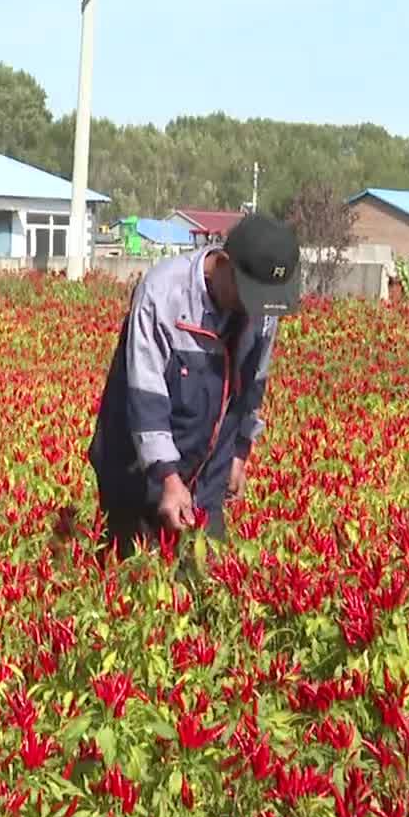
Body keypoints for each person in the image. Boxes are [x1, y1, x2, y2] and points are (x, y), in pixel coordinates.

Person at [87, 213, 301, 563]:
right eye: (251, 296)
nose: (256, 310)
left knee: (205, 576)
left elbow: (253, 383)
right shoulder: (163, 294)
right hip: (137, 465)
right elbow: (145, 393)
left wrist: (240, 453)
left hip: (209, 460)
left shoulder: (264, 305)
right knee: (139, 578)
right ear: (226, 266)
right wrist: (167, 479)